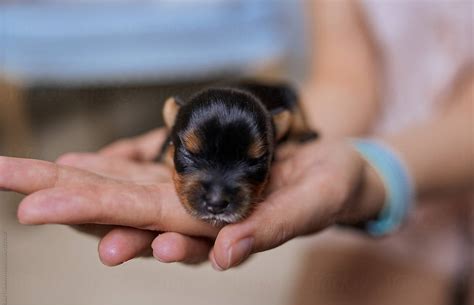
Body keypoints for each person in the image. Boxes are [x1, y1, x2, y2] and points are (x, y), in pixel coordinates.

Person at [0, 0, 472, 278]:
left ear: (278, 146)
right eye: (189, 155)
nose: (220, 192)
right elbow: (348, 80)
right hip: (382, 161)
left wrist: (374, 173)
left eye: (253, 163)